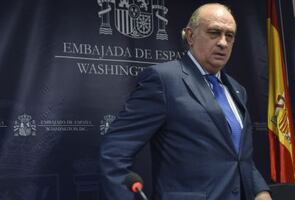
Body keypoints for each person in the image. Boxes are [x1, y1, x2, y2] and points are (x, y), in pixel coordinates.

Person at [100, 3, 272, 200]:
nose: (223, 43)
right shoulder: (164, 80)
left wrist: (260, 190)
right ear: (190, 36)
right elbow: (115, 151)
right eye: (214, 32)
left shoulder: (237, 90)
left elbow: (239, 155)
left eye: (229, 35)